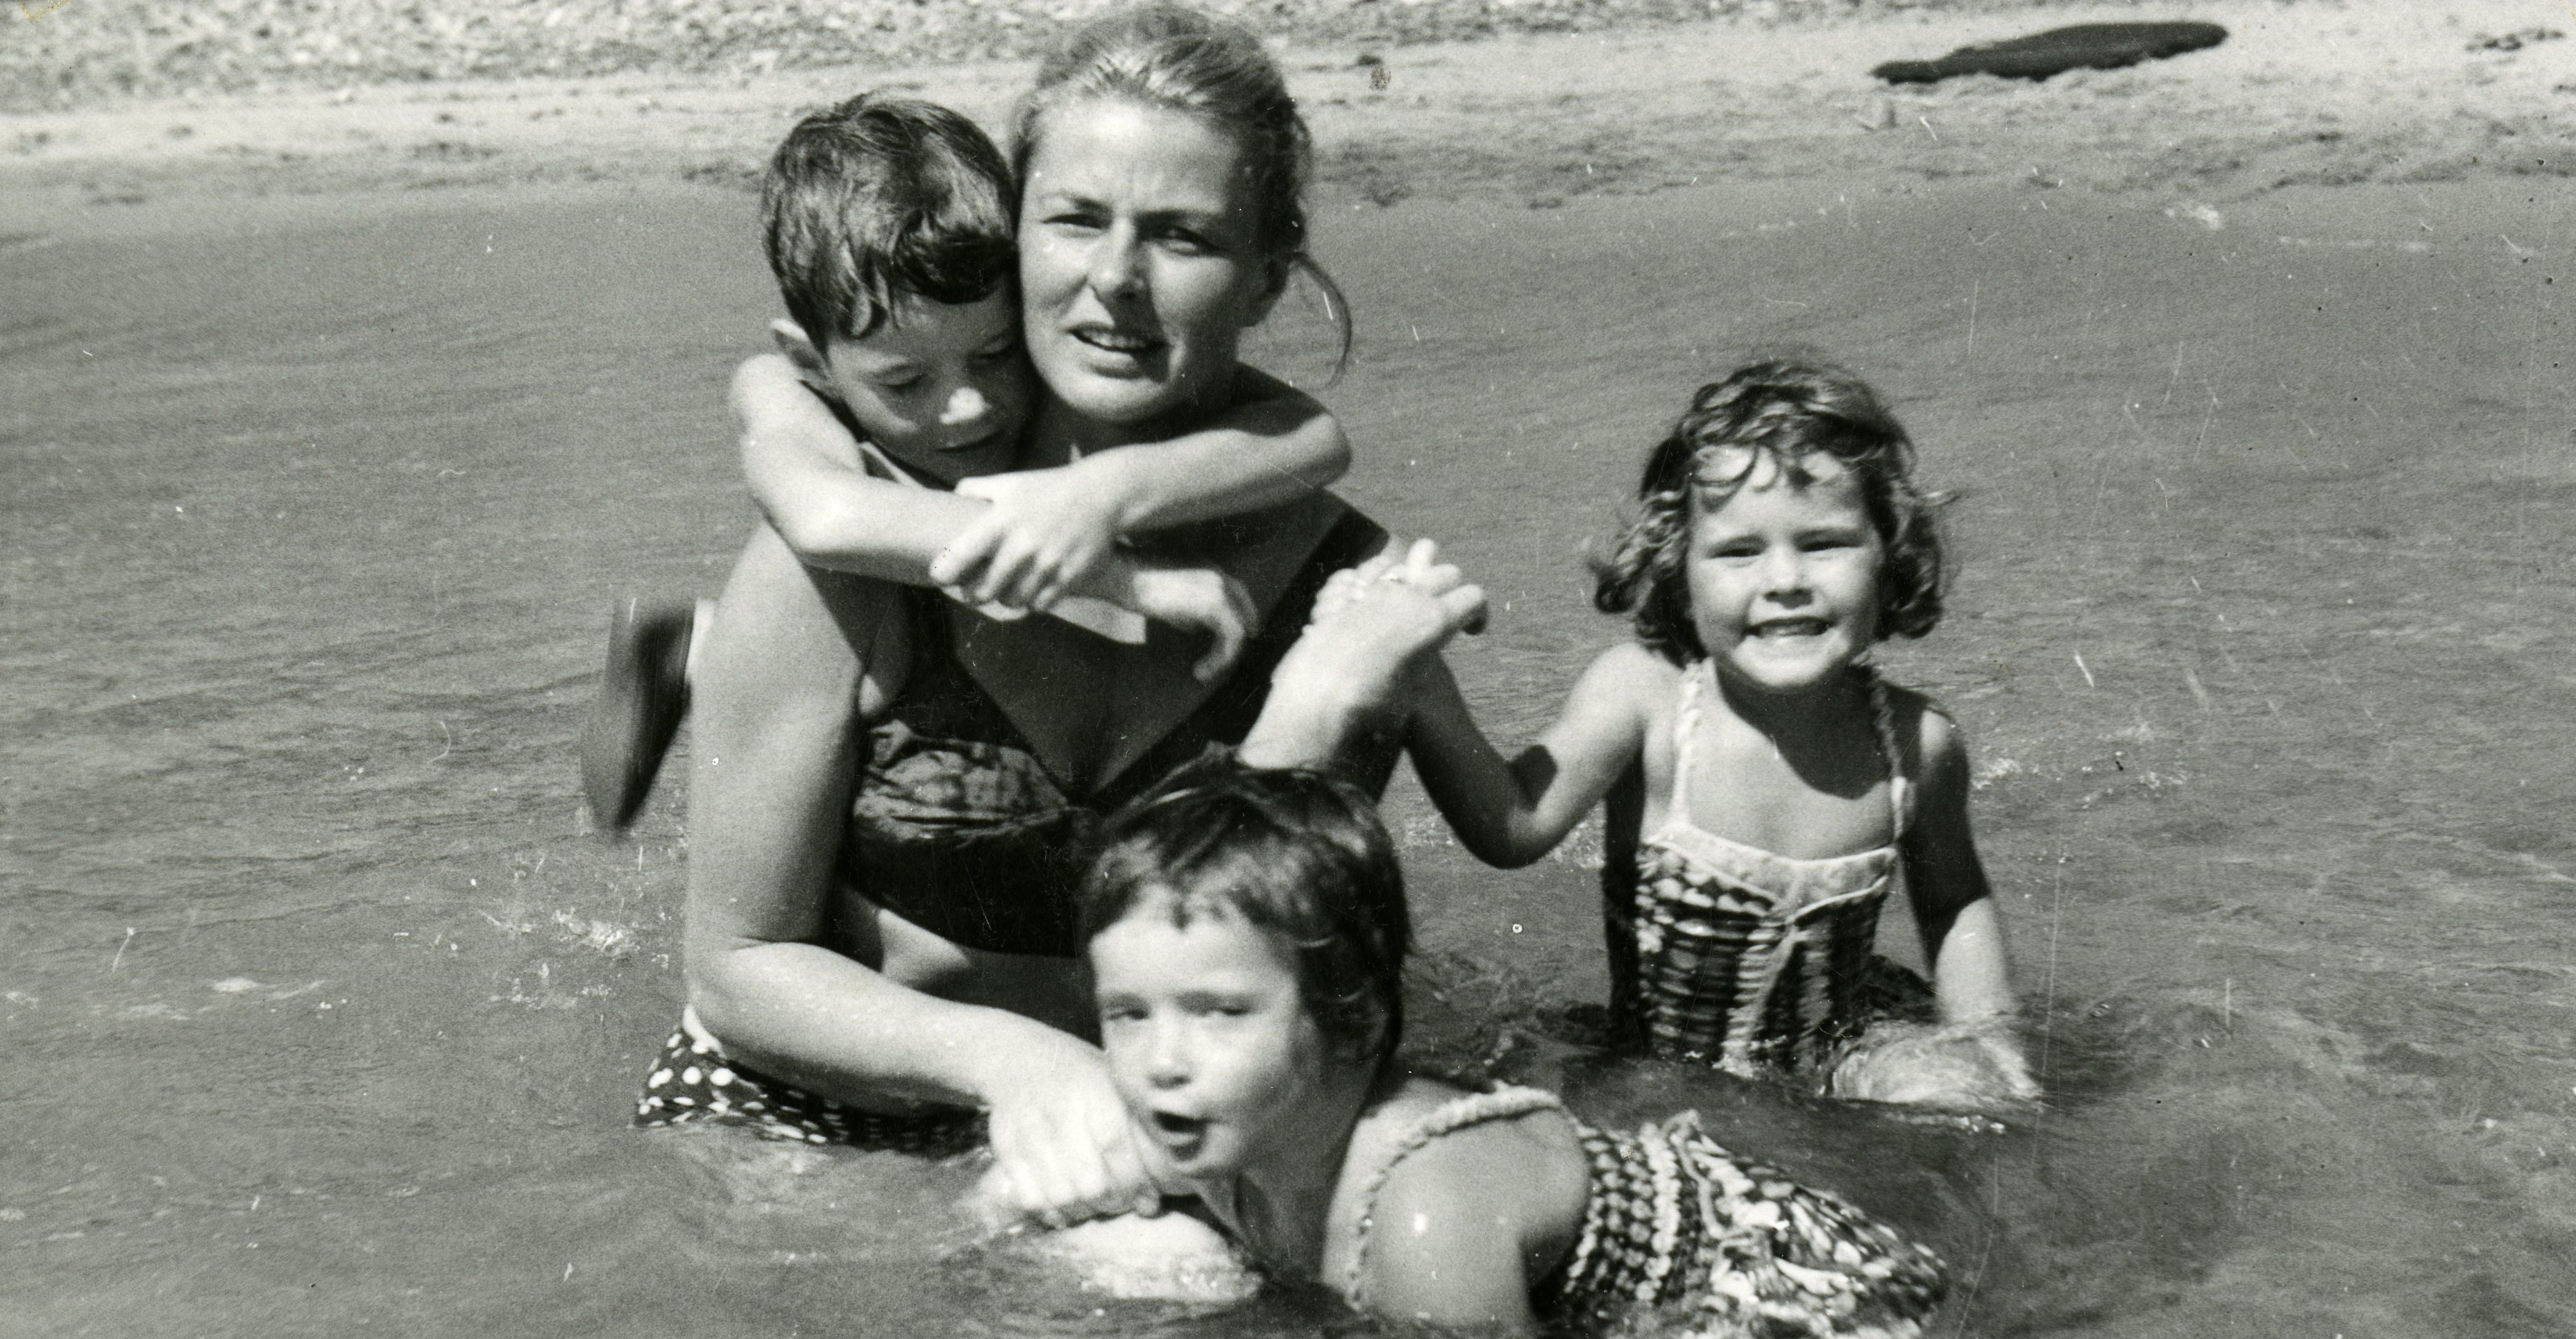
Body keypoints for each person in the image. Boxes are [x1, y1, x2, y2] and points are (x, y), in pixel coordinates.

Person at [638, 3, 1446, 1231]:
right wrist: (1017, 1065)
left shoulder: (1347, 593)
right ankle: (691, 659)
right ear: (1009, 233)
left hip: (1154, 1123)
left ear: (1267, 272)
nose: (1114, 281)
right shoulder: (854, 543)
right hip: (825, 1106)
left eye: (1180, 236)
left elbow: (1295, 998)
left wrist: (1313, 722)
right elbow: (738, 969)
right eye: (1074, 220)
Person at [577, 80, 1353, 829]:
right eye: (907, 381)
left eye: (995, 353)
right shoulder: (789, 396)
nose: (968, 404)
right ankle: (686, 650)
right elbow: (825, 516)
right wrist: (1123, 578)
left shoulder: (1035, 343)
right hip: (866, 590)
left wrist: (1111, 492)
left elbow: (1314, 437)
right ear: (815, 364)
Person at [1080, 744, 1951, 1336]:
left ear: (1353, 1021)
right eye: (1128, 1013)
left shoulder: (1424, 1211)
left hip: (1806, 1300)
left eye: (1219, 1012)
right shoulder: (1220, 1128)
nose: (1162, 1060)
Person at [1400, 358, 2037, 1110]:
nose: (1785, 580)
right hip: (1661, 1061)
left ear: (1889, 553)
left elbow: (1953, 903)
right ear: (1679, 570)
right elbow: (1511, 824)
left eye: (1824, 542)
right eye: (1739, 552)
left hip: (1836, 1052)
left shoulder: (1913, 741)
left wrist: (1989, 1038)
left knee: (1956, 1091)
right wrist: (1420, 680)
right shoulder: (1646, 697)